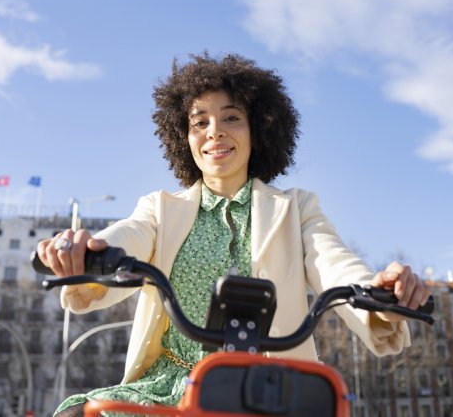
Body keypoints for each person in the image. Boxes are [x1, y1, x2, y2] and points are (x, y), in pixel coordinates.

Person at [38, 53, 431, 416]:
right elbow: (129, 237)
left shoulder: (296, 208)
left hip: (271, 387)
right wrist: (89, 251)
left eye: (231, 118)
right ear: (184, 136)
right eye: (199, 122)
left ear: (257, 129)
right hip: (174, 387)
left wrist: (377, 290)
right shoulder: (160, 209)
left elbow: (332, 262)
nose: (214, 133)